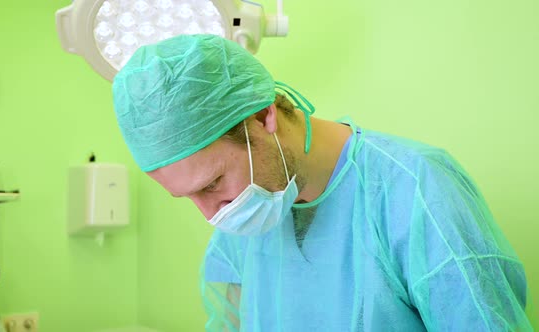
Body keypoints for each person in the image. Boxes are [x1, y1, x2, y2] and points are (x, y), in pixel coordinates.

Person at [112, 34, 532, 331]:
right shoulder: (241, 221)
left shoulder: (415, 189)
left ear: (262, 117)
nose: (212, 213)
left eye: (212, 183)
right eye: (188, 197)